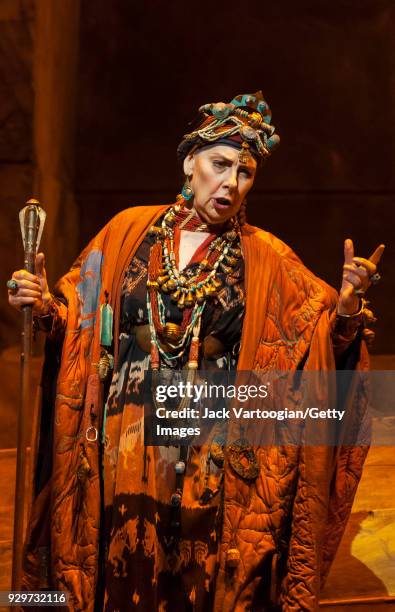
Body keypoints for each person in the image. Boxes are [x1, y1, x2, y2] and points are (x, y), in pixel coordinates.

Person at [8, 91, 384, 612]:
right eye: (219, 164)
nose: (230, 182)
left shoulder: (268, 258)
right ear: (190, 162)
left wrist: (344, 311)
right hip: (125, 447)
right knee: (120, 572)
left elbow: (315, 341)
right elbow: (77, 319)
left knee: (194, 582)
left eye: (245, 171)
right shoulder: (126, 234)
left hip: (209, 459)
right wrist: (44, 304)